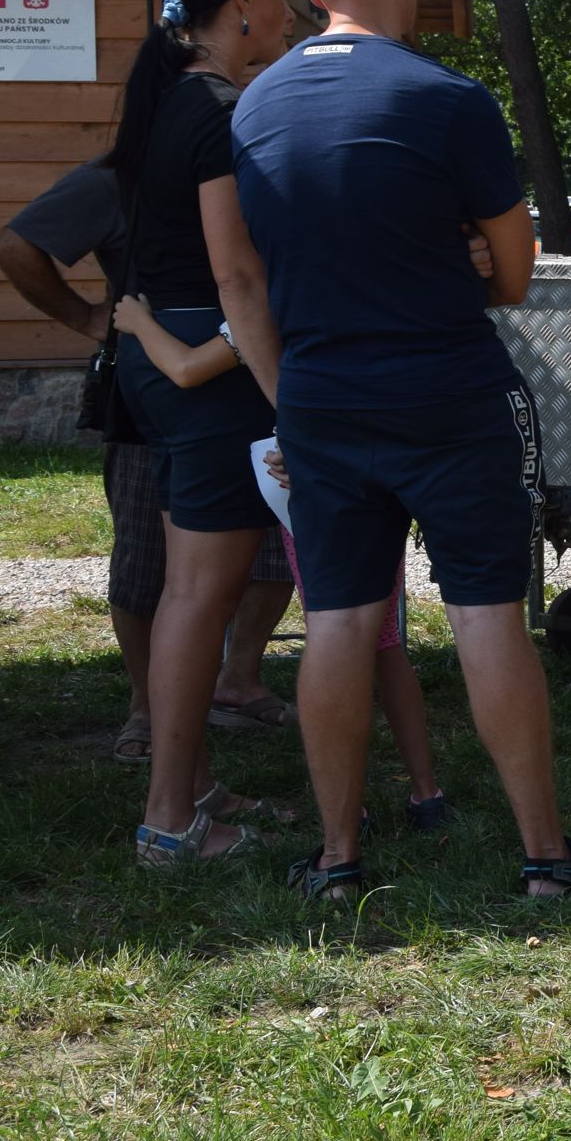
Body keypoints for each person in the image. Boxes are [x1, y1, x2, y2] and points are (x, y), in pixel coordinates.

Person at [225, 0, 571, 901]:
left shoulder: (252, 108)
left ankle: (338, 857)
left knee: (341, 621)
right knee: (486, 612)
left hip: (321, 396)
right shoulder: (448, 99)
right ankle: (543, 856)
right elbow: (518, 275)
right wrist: (464, 263)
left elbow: (250, 279)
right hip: (445, 387)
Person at [0, 169, 297, 762]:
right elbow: (12, 245)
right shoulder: (115, 177)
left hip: (257, 383)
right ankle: (148, 707)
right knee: (145, 557)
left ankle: (237, 680)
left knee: (272, 545)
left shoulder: (263, 170)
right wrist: (87, 317)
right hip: (154, 395)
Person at [113, 296, 453, 828]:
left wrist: (136, 324)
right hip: (377, 480)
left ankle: (348, 812)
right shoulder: (372, 312)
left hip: (317, 488)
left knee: (337, 648)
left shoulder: (269, 309)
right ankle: (425, 793)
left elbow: (185, 367)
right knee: (383, 647)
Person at [105, 0, 295, 865]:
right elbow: (239, 279)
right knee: (197, 600)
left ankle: (188, 788)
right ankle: (170, 821)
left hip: (164, 352)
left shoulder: (168, 92)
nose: (292, 11)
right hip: (207, 365)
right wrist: (283, 396)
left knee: (190, 593)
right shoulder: (219, 106)